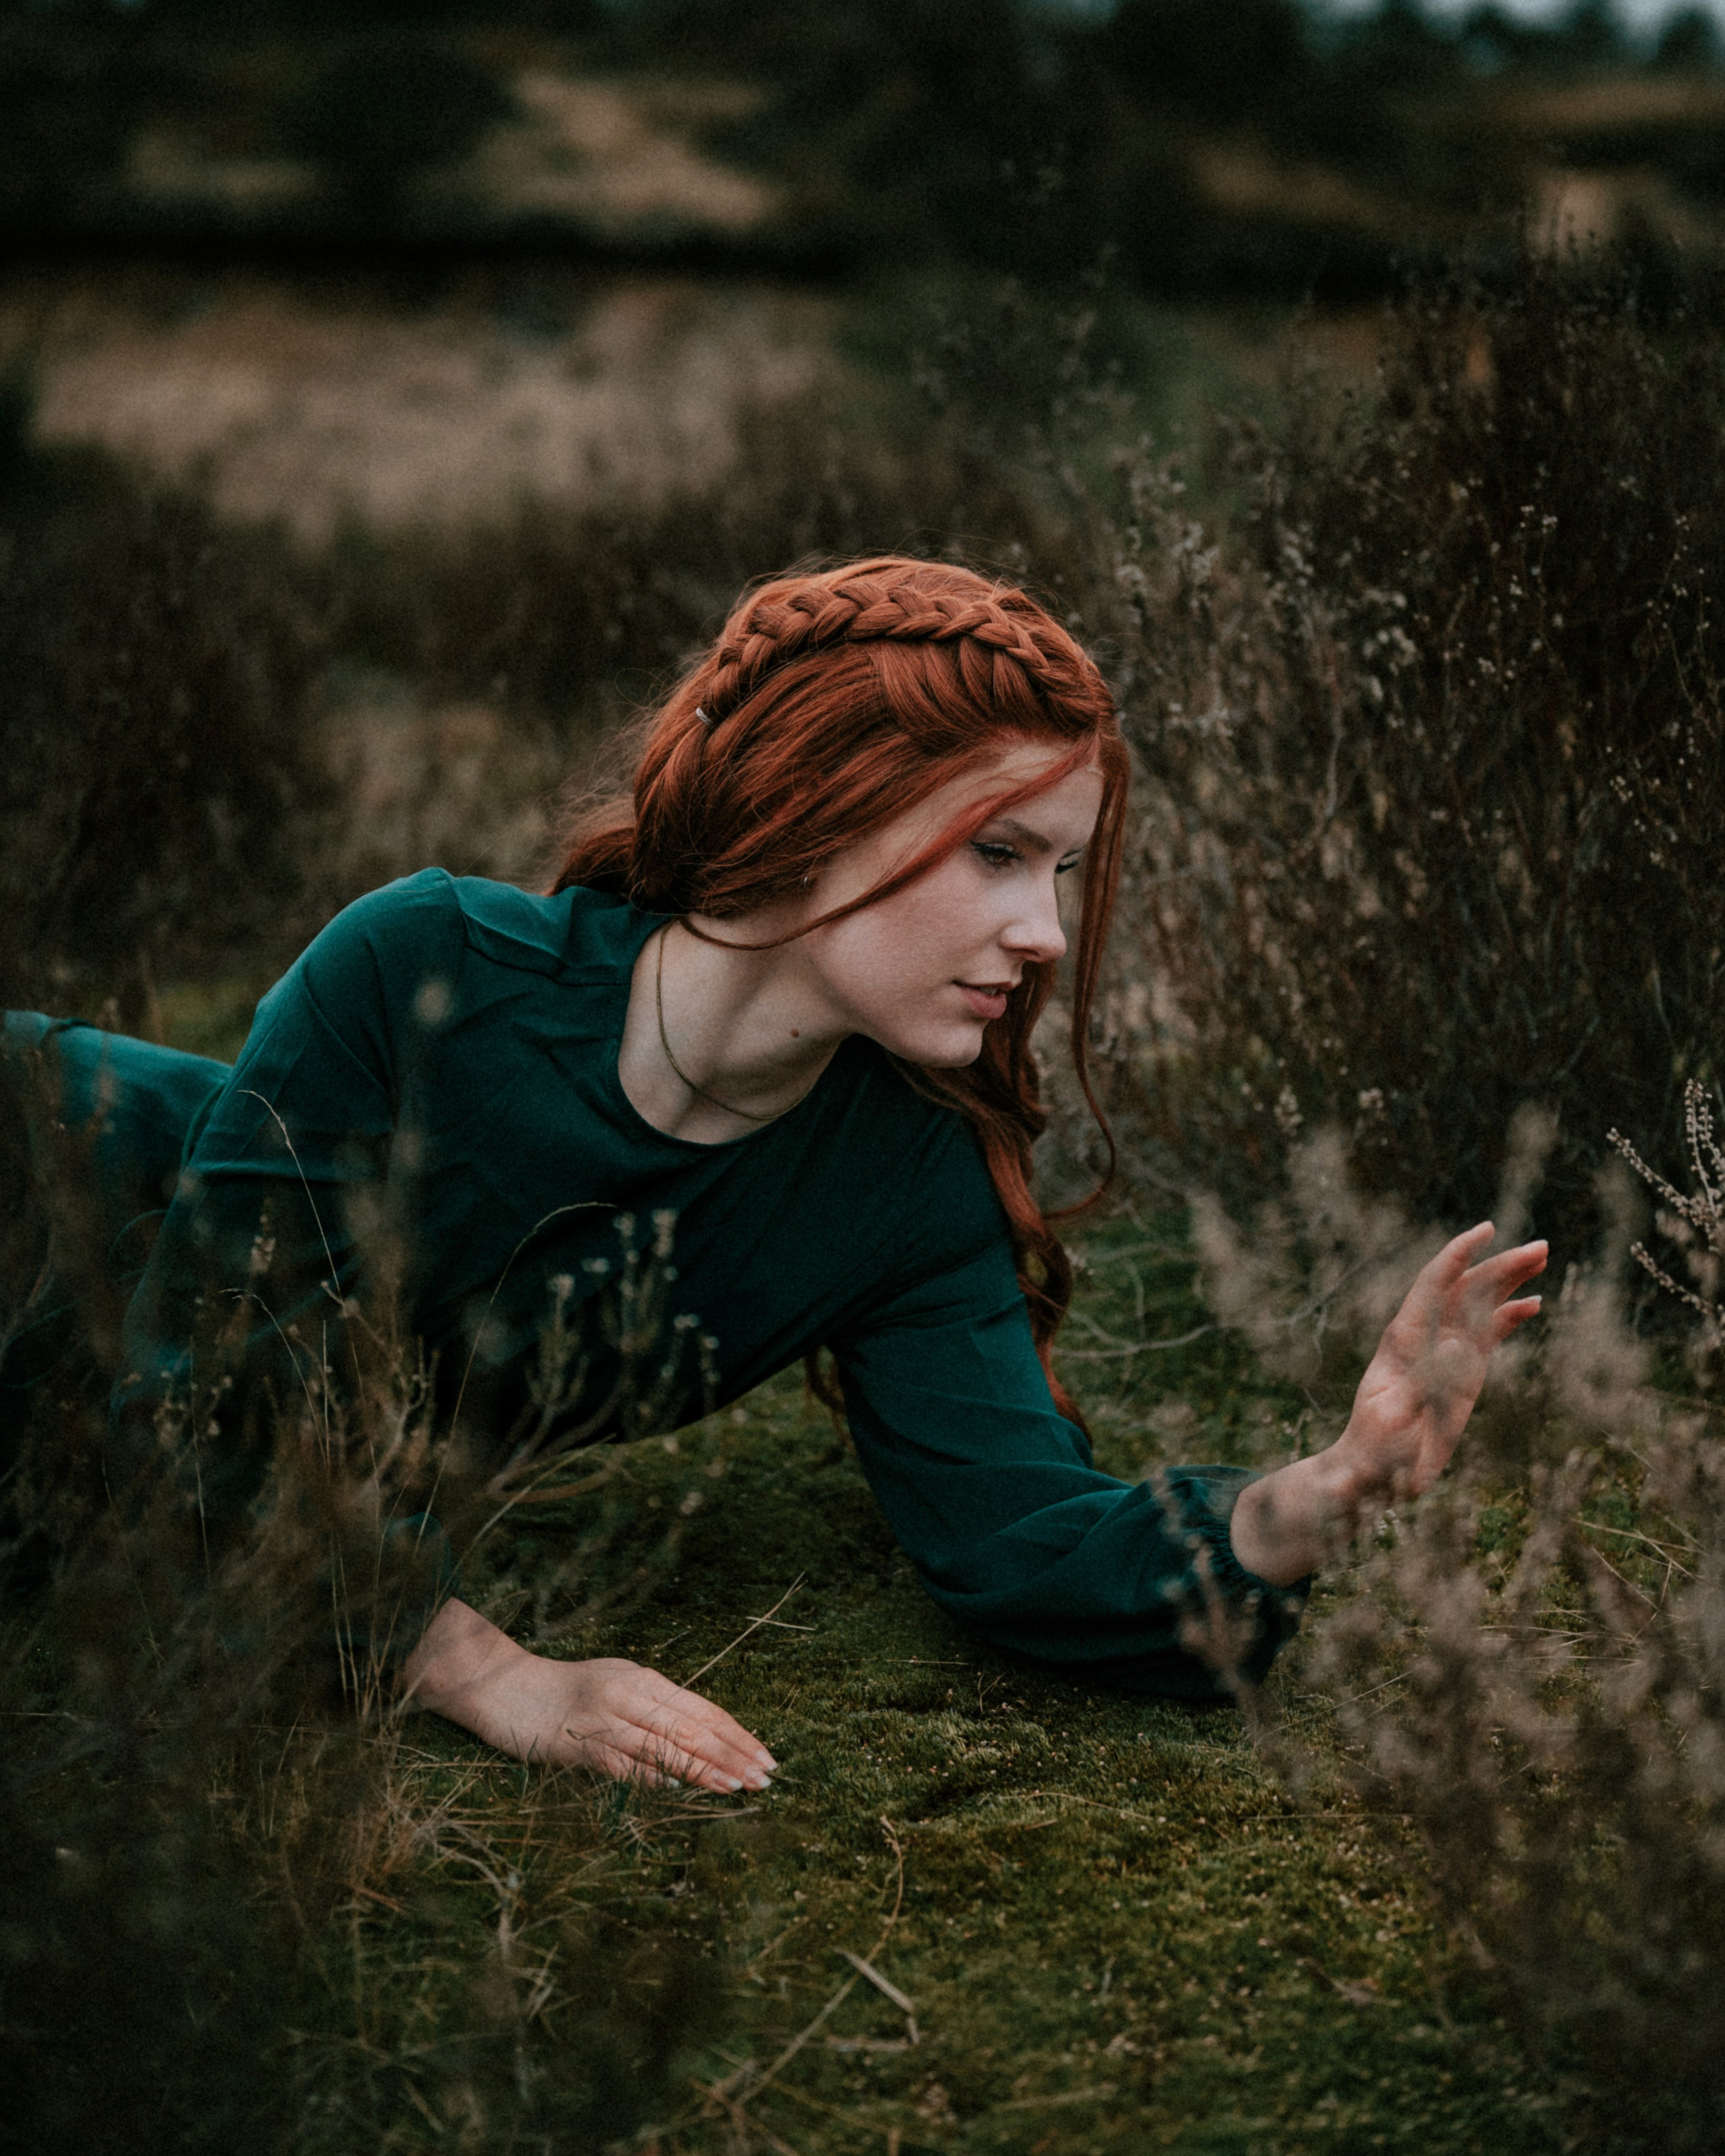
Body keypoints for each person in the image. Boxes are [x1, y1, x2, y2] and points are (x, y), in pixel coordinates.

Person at [1, 557, 1545, 1797]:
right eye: (998, 854)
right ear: (824, 808)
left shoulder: (905, 1181)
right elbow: (208, 1403)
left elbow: (1013, 1537)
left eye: (1061, 870)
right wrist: (488, 1671)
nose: (1048, 934)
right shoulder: (424, 969)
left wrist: (1312, 1498)